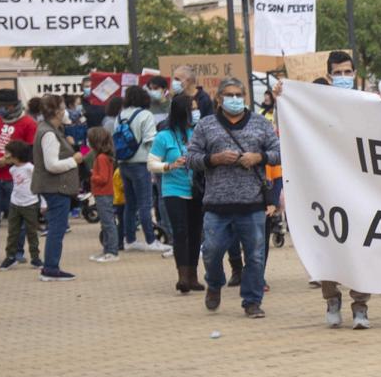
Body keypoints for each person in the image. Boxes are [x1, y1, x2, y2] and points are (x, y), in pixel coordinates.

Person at [185, 77, 278, 317]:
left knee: (256, 256)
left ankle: (252, 301)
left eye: (239, 95)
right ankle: (214, 284)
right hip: (217, 203)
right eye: (230, 95)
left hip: (253, 202)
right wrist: (213, 159)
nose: (235, 100)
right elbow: (192, 157)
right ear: (219, 98)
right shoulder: (206, 125)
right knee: (211, 251)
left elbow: (278, 152)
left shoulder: (260, 123)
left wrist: (258, 157)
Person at [0, 88, 38, 264]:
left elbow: (29, 151)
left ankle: (17, 252)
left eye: (3, 106)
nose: (0, 109)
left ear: (13, 105)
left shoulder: (29, 123)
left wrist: (9, 160)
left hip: (16, 177)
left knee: (17, 216)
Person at [30, 94, 84, 282]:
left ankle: (51, 266)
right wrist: (73, 160)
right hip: (55, 187)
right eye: (62, 108)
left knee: (56, 227)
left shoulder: (51, 130)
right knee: (57, 229)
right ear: (56, 111)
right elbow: (51, 164)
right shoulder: (49, 133)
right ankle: (51, 268)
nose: (65, 111)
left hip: (55, 186)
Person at [150, 93, 199, 293]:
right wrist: (169, 166)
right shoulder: (164, 136)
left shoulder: (198, 131)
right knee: (180, 232)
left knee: (196, 232)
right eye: (192, 108)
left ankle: (194, 275)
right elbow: (151, 163)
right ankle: (183, 277)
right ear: (183, 111)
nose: (196, 112)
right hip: (174, 190)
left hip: (196, 189)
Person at [112, 85, 164, 254]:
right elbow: (150, 139)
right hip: (141, 163)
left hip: (123, 163)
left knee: (130, 204)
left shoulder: (120, 115)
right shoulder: (145, 115)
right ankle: (150, 240)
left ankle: (130, 239)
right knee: (145, 203)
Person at [0, 138, 41, 270]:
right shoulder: (12, 170)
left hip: (30, 203)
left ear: (15, 155)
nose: (5, 155)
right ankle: (10, 257)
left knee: (32, 232)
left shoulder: (30, 168)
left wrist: (43, 202)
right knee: (13, 231)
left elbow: (39, 185)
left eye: (8, 153)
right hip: (15, 203)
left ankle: (35, 258)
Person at [86, 127, 122, 262]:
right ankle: (107, 250)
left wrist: (93, 176)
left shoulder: (101, 158)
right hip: (104, 193)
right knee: (106, 223)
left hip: (103, 194)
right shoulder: (104, 157)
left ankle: (112, 251)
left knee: (108, 223)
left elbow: (103, 178)